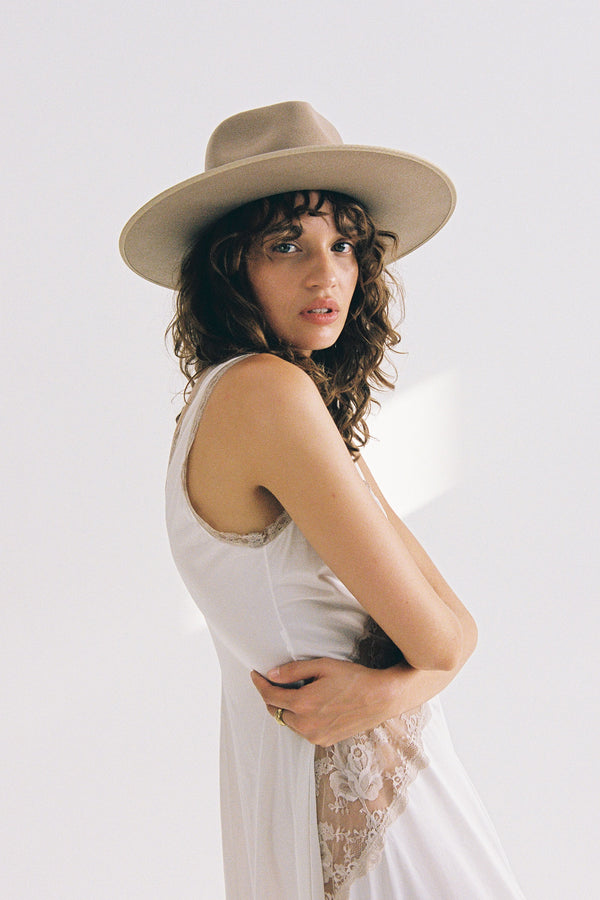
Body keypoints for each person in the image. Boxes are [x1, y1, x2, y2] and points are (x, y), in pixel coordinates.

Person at [120, 102, 525, 899]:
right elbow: (443, 640)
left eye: (343, 243)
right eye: (286, 245)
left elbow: (455, 633)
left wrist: (389, 687)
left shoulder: (261, 397)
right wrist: (415, 674)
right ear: (227, 266)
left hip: (361, 789)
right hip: (373, 818)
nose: (326, 273)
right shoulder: (264, 395)